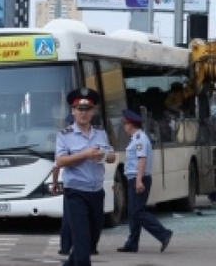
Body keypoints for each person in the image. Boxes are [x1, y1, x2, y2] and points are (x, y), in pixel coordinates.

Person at [55, 88, 116, 266]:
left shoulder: (100, 133)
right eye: (79, 109)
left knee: (91, 240)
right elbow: (60, 161)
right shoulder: (64, 135)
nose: (83, 113)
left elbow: (112, 157)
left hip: (96, 191)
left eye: (87, 109)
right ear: (73, 111)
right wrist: (84, 154)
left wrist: (102, 155)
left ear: (93, 111)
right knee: (81, 242)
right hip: (76, 192)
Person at [117, 109, 173, 253]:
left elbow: (142, 159)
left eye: (126, 124)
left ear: (131, 125)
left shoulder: (139, 139)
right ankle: (132, 243)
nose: (124, 127)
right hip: (134, 178)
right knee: (133, 213)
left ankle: (163, 233)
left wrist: (139, 180)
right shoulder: (137, 138)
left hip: (138, 178)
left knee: (137, 212)